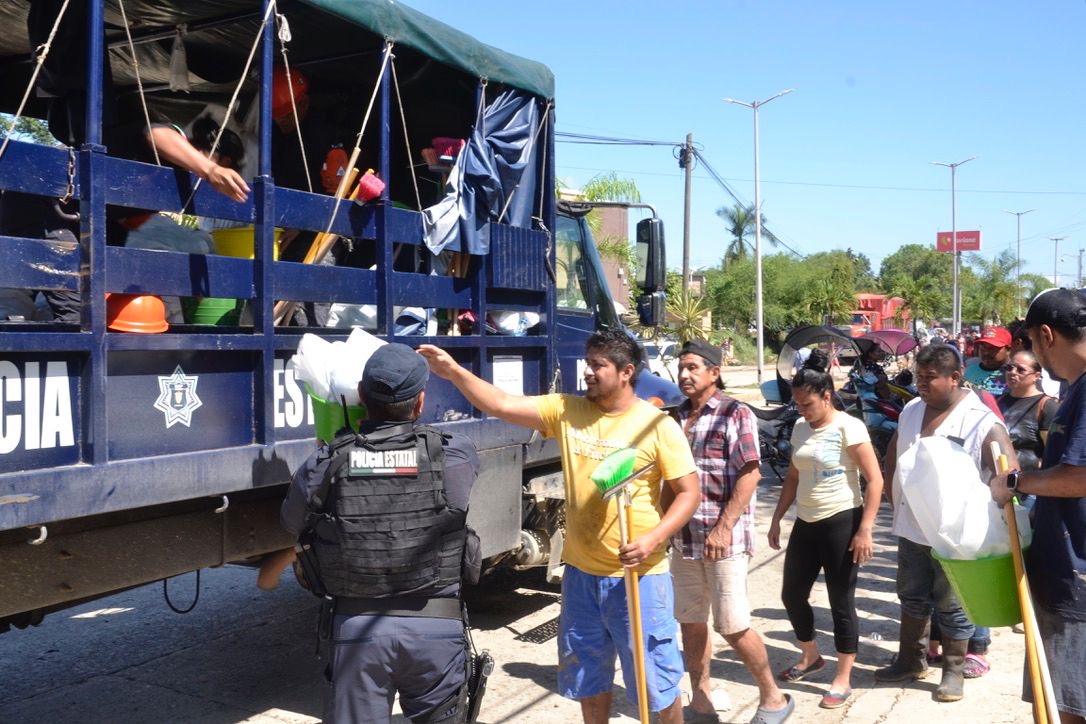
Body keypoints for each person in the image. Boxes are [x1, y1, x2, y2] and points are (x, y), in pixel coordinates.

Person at [419, 329, 700, 724]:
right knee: (588, 677)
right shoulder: (567, 410)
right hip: (582, 576)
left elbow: (689, 492)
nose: (587, 372)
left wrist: (655, 537)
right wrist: (453, 373)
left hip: (639, 579)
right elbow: (501, 403)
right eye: (588, 363)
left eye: (598, 365)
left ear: (626, 372)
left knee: (657, 684)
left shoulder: (657, 427)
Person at [0, 0, 250, 323]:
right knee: (78, 312)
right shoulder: (170, 152)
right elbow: (156, 133)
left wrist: (194, 274)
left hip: (68, 218)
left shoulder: (144, 184)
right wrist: (210, 170)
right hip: (47, 212)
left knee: (65, 304)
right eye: (221, 160)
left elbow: (136, 224)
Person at [280, 343, 481, 723]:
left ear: (360, 396)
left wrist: (328, 451)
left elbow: (292, 524)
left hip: (358, 631)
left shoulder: (325, 463)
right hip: (436, 627)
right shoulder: (455, 454)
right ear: (420, 402)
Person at [876, 344, 1015, 702]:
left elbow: (1008, 470)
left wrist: (994, 513)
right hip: (912, 529)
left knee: (953, 603)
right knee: (911, 595)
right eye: (919, 377)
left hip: (957, 536)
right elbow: (895, 448)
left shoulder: (980, 420)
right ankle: (910, 660)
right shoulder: (910, 410)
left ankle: (953, 671)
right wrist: (893, 495)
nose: (921, 384)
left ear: (955, 377)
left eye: (930, 378)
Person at [671, 339, 794, 724]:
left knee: (732, 625)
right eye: (682, 367)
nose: (685, 374)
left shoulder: (733, 413)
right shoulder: (676, 417)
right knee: (691, 623)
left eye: (693, 367)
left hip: (723, 541)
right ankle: (701, 699)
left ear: (714, 372)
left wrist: (723, 528)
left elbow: (750, 473)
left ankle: (773, 697)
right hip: (684, 540)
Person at [768, 350, 883, 710]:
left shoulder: (849, 428)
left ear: (827, 397)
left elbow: (875, 481)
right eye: (797, 403)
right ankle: (810, 656)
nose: (802, 410)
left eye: (807, 404)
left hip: (842, 522)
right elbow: (793, 475)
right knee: (791, 594)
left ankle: (842, 676)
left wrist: (865, 529)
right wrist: (776, 518)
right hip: (807, 522)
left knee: (840, 603)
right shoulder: (801, 427)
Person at [992, 288, 1086, 723]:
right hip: (1064, 572)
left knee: (1065, 709)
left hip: (1076, 583)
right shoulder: (1073, 389)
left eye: (1028, 341)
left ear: (1046, 335)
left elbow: (1079, 476)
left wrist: (1014, 481)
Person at [964, 326, 1012, 395]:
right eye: (983, 348)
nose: (986, 352)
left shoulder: (1014, 374)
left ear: (1008, 350)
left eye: (992, 348)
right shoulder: (968, 372)